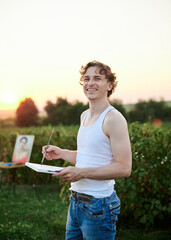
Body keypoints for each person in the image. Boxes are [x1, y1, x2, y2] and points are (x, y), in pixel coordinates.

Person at [42, 60, 132, 240]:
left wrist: (82, 173)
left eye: (97, 78)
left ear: (109, 85)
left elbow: (124, 168)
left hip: (99, 206)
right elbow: (87, 157)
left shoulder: (114, 118)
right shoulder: (84, 115)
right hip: (75, 202)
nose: (90, 83)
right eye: (87, 78)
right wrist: (61, 152)